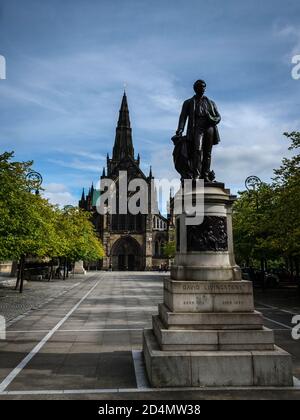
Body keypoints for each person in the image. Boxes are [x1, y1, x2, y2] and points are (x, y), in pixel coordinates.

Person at [175, 80, 221, 181]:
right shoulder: (188, 102)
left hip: (209, 128)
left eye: (204, 87)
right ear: (195, 88)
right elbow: (183, 117)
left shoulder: (211, 103)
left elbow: (218, 117)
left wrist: (211, 118)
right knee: (197, 151)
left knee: (207, 153)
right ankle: (196, 175)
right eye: (201, 87)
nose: (203, 89)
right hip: (196, 128)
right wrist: (180, 129)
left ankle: (205, 175)